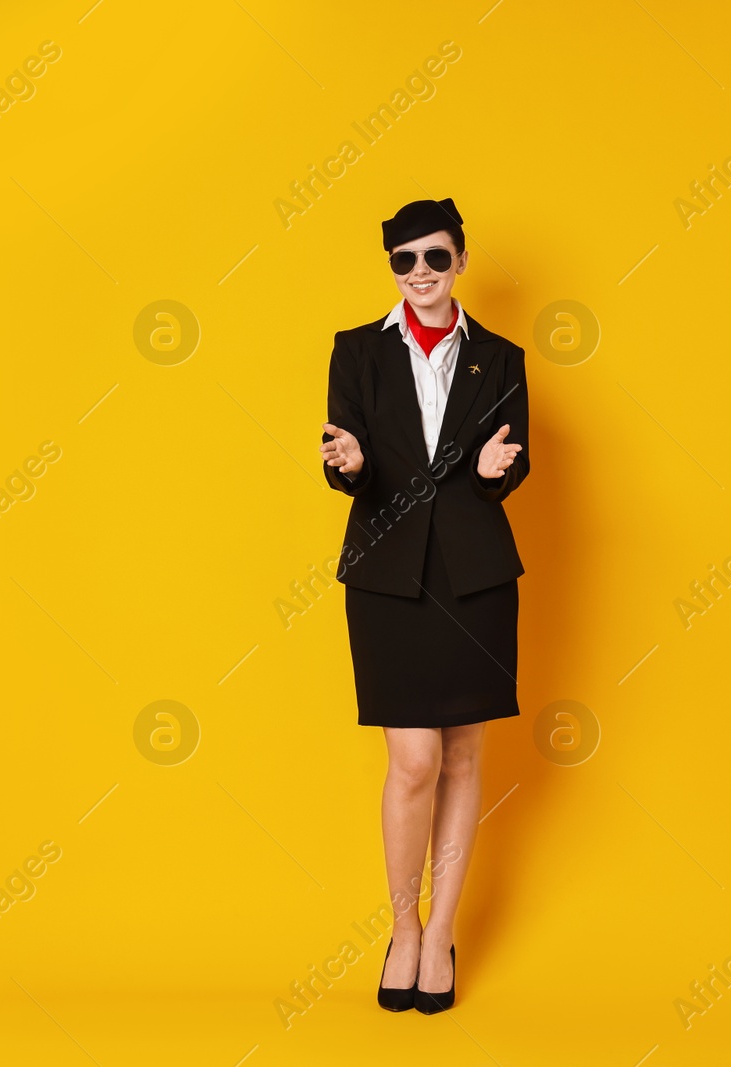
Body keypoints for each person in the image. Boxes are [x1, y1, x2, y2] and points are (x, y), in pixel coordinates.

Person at [319, 197, 530, 1014]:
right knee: (413, 760)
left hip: (474, 576)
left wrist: (492, 475)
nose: (419, 276)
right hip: (389, 574)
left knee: (465, 754)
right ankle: (402, 926)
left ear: (461, 261)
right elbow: (348, 459)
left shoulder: (502, 356)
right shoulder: (355, 352)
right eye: (403, 262)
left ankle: (441, 930)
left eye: (434, 258)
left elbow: (513, 460)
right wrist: (350, 462)